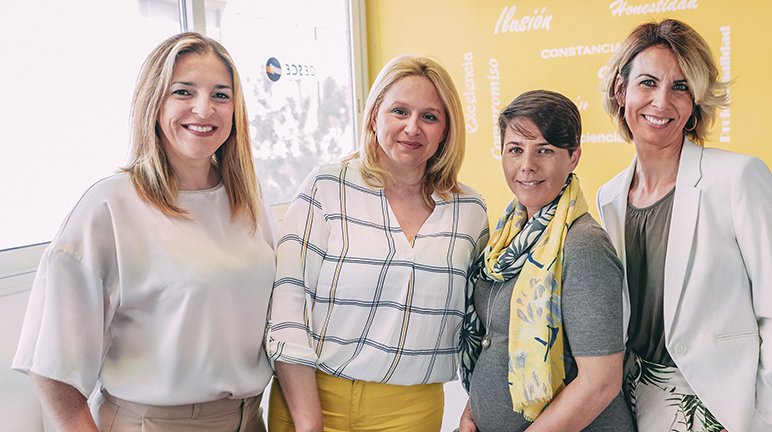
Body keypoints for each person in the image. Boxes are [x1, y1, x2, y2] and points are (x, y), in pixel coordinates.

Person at [12, 32, 278, 431]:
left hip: (249, 418)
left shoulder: (249, 201)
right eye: (183, 92)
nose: (204, 109)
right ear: (153, 103)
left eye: (221, 95)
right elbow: (50, 365)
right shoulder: (110, 208)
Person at [596, 19, 772, 432]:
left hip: (714, 408)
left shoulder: (738, 178)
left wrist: (762, 422)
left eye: (680, 87)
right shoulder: (608, 197)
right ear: (621, 91)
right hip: (626, 403)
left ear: (695, 102)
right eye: (647, 83)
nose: (661, 101)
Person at [265, 54, 489, 432]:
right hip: (312, 400)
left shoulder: (469, 210)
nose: (412, 128)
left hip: (412, 410)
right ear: (374, 117)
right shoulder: (328, 186)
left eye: (430, 117)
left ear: (446, 130)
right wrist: (308, 421)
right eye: (399, 111)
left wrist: (478, 401)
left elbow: (483, 319)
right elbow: (287, 304)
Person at [458, 90, 633, 432]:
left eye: (545, 150)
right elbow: (500, 342)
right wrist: (471, 413)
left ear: (573, 157)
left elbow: (600, 384)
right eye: (515, 150)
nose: (527, 165)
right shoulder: (505, 238)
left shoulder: (583, 246)